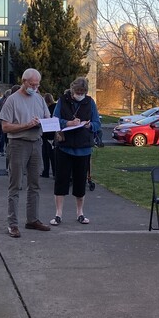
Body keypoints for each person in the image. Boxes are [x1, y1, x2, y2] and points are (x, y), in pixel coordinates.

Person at [0, 70, 51, 238]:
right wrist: (26, 125)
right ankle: (12, 224)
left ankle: (32, 219)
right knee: (15, 185)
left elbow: (47, 118)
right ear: (24, 81)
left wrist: (45, 124)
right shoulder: (12, 100)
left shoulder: (39, 98)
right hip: (18, 144)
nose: (35, 87)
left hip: (36, 143)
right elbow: (5, 127)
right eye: (32, 84)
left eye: (37, 85)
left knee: (35, 184)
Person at [50, 78, 101, 226]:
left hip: (83, 148)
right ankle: (58, 213)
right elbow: (55, 119)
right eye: (78, 92)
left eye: (83, 92)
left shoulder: (90, 102)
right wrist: (67, 123)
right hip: (64, 147)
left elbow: (97, 123)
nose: (80, 94)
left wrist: (90, 125)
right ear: (72, 90)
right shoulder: (62, 101)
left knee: (80, 182)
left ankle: (80, 212)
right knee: (61, 180)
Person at [41, 93, 57, 178]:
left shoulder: (48, 109)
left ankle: (46, 171)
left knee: (47, 155)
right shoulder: (55, 107)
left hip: (48, 134)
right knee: (51, 155)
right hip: (50, 134)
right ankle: (54, 172)